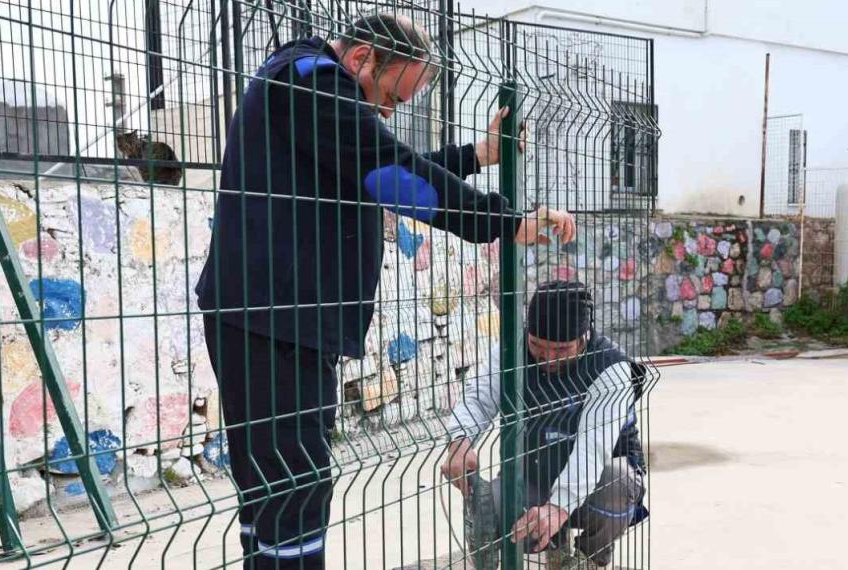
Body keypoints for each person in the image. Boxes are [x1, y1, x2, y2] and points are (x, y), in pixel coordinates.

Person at [195, 13, 577, 570]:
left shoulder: (310, 88)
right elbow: (387, 168)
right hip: (273, 320)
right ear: (360, 60)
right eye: (392, 95)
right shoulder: (308, 79)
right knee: (295, 483)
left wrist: (477, 157)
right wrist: (506, 221)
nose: (390, 111)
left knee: (276, 484)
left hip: (278, 317)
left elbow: (376, 160)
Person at [442, 281, 653, 568]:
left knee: (619, 480)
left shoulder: (611, 368)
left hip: (598, 486)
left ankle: (590, 559)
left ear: (583, 338)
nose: (547, 358)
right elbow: (479, 399)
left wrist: (559, 506)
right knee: (488, 504)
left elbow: (593, 448)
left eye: (560, 349)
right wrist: (460, 439)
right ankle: (554, 544)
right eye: (537, 345)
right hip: (534, 477)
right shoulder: (510, 349)